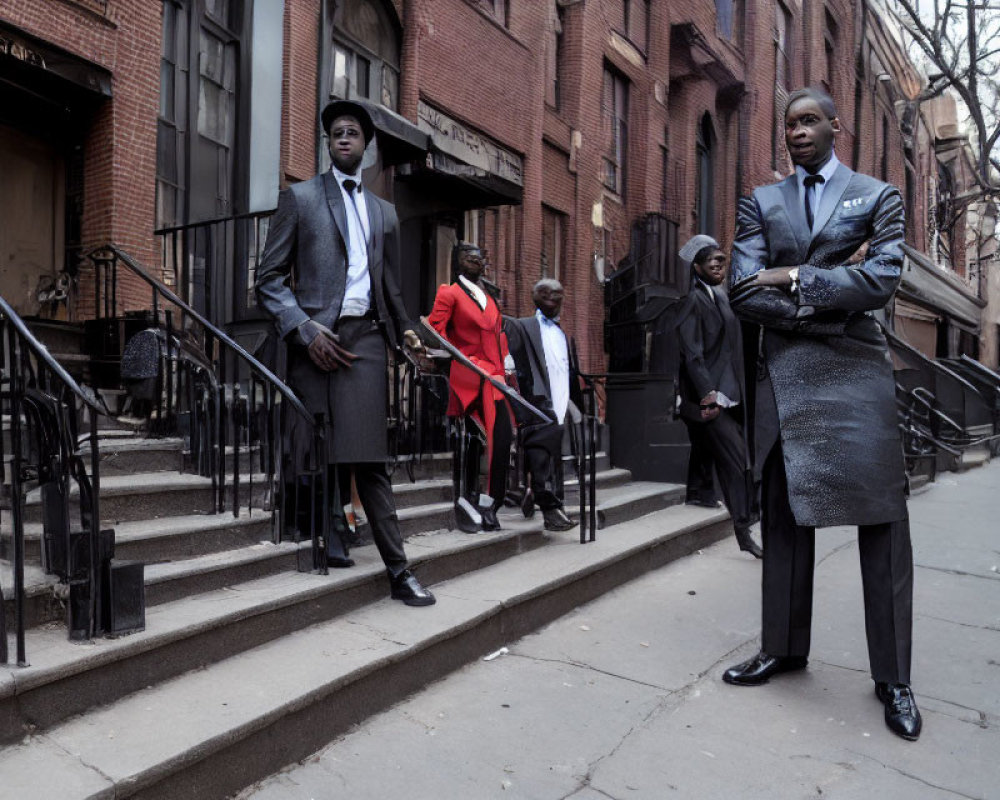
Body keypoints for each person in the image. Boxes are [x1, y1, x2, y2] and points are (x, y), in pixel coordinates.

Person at [722, 87, 920, 740]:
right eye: (788, 125)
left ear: (837, 127)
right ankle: (782, 646)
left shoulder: (878, 195)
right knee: (782, 513)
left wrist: (793, 277)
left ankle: (894, 678)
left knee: (884, 522)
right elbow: (742, 289)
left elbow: (885, 278)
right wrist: (827, 299)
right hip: (787, 372)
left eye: (809, 121)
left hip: (859, 374)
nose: (796, 132)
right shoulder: (761, 201)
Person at [255, 99, 435, 607]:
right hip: (315, 340)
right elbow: (268, 280)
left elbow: (392, 288)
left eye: (353, 131)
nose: (343, 137)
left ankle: (400, 572)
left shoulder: (386, 214)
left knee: (370, 459)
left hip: (367, 341)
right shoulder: (302, 198)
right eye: (336, 131)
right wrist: (304, 329)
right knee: (317, 450)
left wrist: (408, 339)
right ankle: (329, 538)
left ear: (366, 145)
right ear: (328, 143)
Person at [674, 235, 761, 558]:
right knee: (736, 465)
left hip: (732, 395)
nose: (718, 267)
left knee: (742, 463)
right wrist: (708, 394)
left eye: (721, 262)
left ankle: (740, 518)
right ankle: (745, 530)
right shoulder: (691, 302)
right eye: (711, 263)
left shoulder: (723, 298)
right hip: (710, 401)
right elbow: (693, 356)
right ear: (697, 268)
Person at [427, 242, 514, 533]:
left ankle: (491, 503)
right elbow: (436, 332)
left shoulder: (490, 297)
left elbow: (498, 336)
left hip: (496, 377)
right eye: (468, 255)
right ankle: (469, 500)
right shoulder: (449, 293)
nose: (475, 259)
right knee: (476, 439)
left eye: (478, 255)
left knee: (503, 436)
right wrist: (461, 358)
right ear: (457, 262)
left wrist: (506, 360)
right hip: (469, 376)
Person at [504, 278, 580, 532]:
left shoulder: (562, 334)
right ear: (533, 295)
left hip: (560, 403)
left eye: (557, 293)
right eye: (544, 292)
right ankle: (549, 508)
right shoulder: (523, 326)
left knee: (550, 457)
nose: (551, 297)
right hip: (536, 404)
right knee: (540, 452)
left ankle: (542, 499)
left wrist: (575, 405)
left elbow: (568, 371)